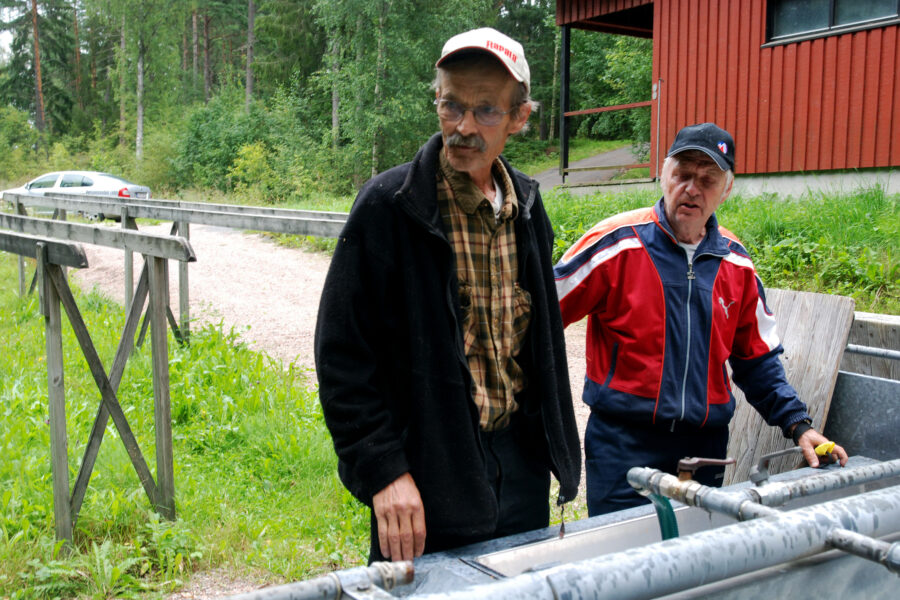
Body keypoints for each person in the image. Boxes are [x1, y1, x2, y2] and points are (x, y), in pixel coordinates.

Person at [314, 27, 581, 563]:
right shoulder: (390, 206)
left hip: (521, 470)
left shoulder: (528, 208)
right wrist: (384, 470)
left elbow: (537, 349)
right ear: (436, 100)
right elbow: (342, 355)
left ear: (519, 117)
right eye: (451, 105)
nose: (463, 127)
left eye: (486, 110)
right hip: (427, 475)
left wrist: (549, 452)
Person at [554, 122, 848, 516]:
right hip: (623, 444)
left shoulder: (737, 265)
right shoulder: (614, 245)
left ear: (726, 189)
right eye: (683, 174)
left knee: (695, 550)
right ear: (664, 175)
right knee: (622, 549)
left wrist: (798, 424)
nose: (692, 189)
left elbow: (757, 361)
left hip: (704, 450)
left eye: (708, 179)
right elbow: (539, 319)